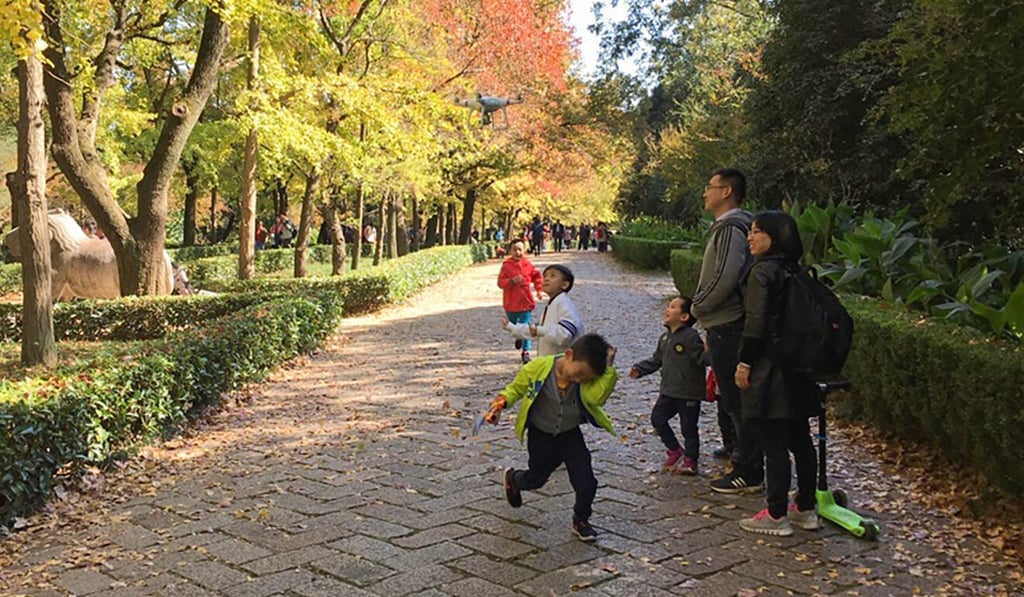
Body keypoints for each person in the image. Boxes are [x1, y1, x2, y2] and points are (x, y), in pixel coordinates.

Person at [484, 334, 618, 542]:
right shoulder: (538, 368)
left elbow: (596, 398)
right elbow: (515, 389)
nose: (580, 380)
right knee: (536, 479)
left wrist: (609, 368)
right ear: (569, 354)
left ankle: (581, 519)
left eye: (587, 378)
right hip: (541, 434)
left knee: (587, 482)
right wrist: (501, 403)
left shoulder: (587, 381)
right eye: (580, 373)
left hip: (570, 435)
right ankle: (514, 479)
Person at [734, 211, 819, 536]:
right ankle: (806, 509)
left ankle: (776, 514)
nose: (750, 237)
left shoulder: (762, 271)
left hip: (770, 370)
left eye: (757, 232)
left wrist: (745, 363)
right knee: (800, 439)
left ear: (775, 236)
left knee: (773, 443)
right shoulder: (796, 270)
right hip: (797, 367)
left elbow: (756, 324)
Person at [691, 167, 763, 494]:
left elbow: (724, 277)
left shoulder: (732, 227)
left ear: (726, 192)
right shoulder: (729, 226)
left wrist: (697, 307)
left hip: (727, 323)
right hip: (721, 322)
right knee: (730, 399)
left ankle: (748, 469)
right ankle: (742, 455)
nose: (706, 192)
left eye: (710, 186)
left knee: (737, 399)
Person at [628, 296, 709, 475]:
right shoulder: (665, 337)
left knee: (688, 427)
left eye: (673, 307)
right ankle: (674, 449)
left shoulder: (691, 336)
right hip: (668, 391)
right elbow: (657, 360)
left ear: (684, 317)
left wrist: (710, 349)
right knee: (657, 419)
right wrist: (640, 369)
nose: (668, 309)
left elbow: (702, 360)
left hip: (688, 392)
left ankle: (691, 459)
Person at [503, 264, 582, 357]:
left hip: (561, 364)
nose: (546, 279)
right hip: (551, 361)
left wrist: (540, 330)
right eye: (545, 276)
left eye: (552, 276)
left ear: (564, 284)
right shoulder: (553, 303)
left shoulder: (564, 304)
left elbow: (565, 334)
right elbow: (536, 331)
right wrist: (512, 327)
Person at [497, 239, 543, 363]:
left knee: (525, 328)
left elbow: (536, 276)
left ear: (524, 250)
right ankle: (518, 336)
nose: (517, 252)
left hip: (525, 303)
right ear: (510, 251)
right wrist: (511, 281)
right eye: (514, 249)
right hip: (511, 303)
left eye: (520, 249)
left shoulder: (527, 264)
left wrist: (539, 290)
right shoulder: (506, 266)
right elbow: (500, 283)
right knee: (513, 326)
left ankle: (526, 352)